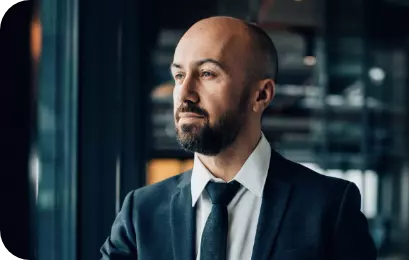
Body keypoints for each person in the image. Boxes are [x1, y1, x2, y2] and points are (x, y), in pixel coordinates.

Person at [100, 16, 377, 260]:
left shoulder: (328, 207)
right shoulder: (140, 212)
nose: (185, 94)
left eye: (208, 73)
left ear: (261, 95)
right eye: (179, 75)